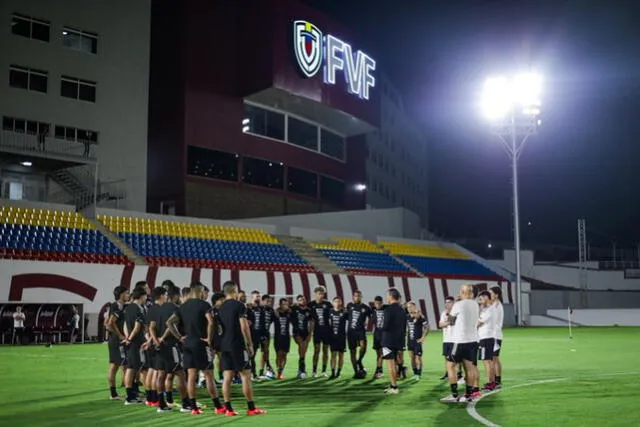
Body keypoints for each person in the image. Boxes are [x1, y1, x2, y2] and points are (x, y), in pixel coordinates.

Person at [167, 281, 225, 415]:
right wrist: (209, 339)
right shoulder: (204, 305)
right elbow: (210, 322)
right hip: (201, 344)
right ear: (199, 291)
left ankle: (193, 407)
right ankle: (218, 406)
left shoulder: (183, 306)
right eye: (204, 291)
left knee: (191, 376)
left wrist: (179, 337)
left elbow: (169, 322)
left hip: (187, 344)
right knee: (209, 374)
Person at [218, 281, 266, 416]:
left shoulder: (221, 307)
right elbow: (244, 326)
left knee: (227, 377)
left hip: (225, 345)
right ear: (234, 290)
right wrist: (249, 344)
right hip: (237, 345)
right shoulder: (239, 305)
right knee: (246, 375)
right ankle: (251, 408)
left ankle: (228, 409)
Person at [440, 284, 480, 403]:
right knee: (470, 368)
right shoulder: (475, 304)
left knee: (450, 365)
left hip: (460, 340)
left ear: (463, 292)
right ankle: (468, 395)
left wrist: (447, 320)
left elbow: (451, 322)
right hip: (473, 340)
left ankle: (454, 395)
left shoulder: (459, 304)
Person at [157, 286, 191, 412]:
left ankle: (162, 404)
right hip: (172, 345)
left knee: (161, 374)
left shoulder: (158, 309)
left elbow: (151, 326)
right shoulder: (177, 309)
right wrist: (179, 337)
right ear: (176, 296)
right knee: (180, 374)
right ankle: (185, 404)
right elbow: (170, 324)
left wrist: (157, 340)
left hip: (160, 346)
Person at [147, 287, 172, 411]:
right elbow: (170, 325)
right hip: (165, 344)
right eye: (166, 294)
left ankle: (153, 399)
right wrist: (160, 339)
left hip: (154, 344)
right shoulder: (165, 308)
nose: (167, 296)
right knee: (167, 373)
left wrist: (154, 341)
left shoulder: (151, 309)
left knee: (154, 372)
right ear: (162, 295)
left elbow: (150, 328)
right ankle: (172, 400)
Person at [123, 287, 148, 405]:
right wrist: (131, 338)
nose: (146, 298)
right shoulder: (139, 309)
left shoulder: (128, 308)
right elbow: (138, 326)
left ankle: (130, 396)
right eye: (145, 296)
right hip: (137, 342)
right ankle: (150, 396)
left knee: (130, 368)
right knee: (143, 369)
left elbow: (124, 324)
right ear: (142, 296)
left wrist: (127, 337)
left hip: (130, 342)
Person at [105, 286, 130, 400]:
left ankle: (114, 394)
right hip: (117, 341)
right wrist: (120, 336)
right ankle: (129, 393)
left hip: (113, 340)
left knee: (114, 365)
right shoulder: (117, 306)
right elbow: (110, 323)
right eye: (126, 293)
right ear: (121, 294)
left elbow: (108, 322)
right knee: (123, 365)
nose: (128, 295)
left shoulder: (117, 305)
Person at [382, 288, 406, 395]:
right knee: (395, 363)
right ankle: (393, 385)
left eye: (387, 296)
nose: (387, 298)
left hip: (388, 341)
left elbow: (385, 325)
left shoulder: (388, 310)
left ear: (391, 297)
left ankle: (394, 387)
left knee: (390, 364)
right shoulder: (402, 310)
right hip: (398, 340)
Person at [346, 290, 371, 379]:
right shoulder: (349, 306)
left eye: (359, 296)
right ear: (353, 297)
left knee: (363, 345)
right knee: (352, 352)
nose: (357, 297)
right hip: (351, 332)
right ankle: (356, 371)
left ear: (361, 297)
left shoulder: (366, 308)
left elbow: (372, 316)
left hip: (361, 331)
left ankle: (359, 361)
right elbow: (345, 316)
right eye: (356, 296)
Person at [309, 286, 332, 377]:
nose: (321, 295)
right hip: (317, 332)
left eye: (322, 293)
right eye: (319, 293)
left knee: (325, 351)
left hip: (326, 331)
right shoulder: (311, 304)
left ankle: (323, 371)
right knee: (316, 351)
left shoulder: (328, 304)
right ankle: (314, 371)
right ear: (315, 294)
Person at [438, 296, 463, 382]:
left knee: (456, 358)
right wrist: (448, 322)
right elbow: (440, 325)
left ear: (453, 303)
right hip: (446, 339)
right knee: (446, 357)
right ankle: (447, 373)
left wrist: (446, 323)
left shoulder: (456, 313)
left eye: (449, 302)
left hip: (455, 339)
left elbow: (452, 323)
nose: (446, 304)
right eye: (446, 302)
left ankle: (459, 373)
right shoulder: (443, 313)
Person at [477, 291, 496, 391]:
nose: (480, 301)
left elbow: (479, 323)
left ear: (486, 297)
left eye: (481, 299)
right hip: (486, 337)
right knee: (489, 361)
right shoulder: (486, 309)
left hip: (486, 338)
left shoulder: (489, 310)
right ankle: (492, 382)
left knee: (486, 361)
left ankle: (490, 383)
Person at [406, 301, 430, 380]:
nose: (409, 308)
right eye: (408, 307)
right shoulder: (408, 316)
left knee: (418, 357)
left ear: (414, 307)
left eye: (410, 307)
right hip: (410, 341)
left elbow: (427, 327)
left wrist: (423, 337)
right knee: (412, 358)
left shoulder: (420, 316)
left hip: (417, 341)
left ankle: (419, 374)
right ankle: (415, 373)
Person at [291, 294, 313, 378]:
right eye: (300, 300)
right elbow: (284, 309)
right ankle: (302, 368)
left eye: (303, 299)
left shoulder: (309, 310)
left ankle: (300, 369)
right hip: (297, 332)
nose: (302, 301)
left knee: (303, 351)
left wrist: (310, 334)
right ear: (297, 301)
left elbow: (312, 322)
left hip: (305, 332)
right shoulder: (294, 308)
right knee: (302, 345)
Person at [329, 296, 348, 379]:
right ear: (333, 303)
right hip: (332, 337)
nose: (337, 303)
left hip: (342, 337)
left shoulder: (344, 312)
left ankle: (339, 372)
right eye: (335, 301)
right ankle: (332, 372)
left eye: (339, 301)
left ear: (341, 303)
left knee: (341, 355)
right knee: (333, 354)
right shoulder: (329, 311)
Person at [273, 298, 292, 379]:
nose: (285, 306)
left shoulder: (289, 313)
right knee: (279, 354)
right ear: (280, 305)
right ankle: (278, 371)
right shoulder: (275, 313)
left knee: (284, 355)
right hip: (278, 337)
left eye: (286, 304)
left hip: (286, 337)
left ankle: (281, 371)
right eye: (283, 304)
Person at [490, 286, 504, 388]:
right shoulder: (494, 305)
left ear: (496, 295)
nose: (489, 295)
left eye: (491, 293)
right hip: (494, 334)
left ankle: (497, 380)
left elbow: (492, 321)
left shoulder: (497, 305)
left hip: (495, 335)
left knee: (494, 358)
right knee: (494, 358)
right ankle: (496, 379)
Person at [246, 291, 263, 379]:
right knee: (249, 355)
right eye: (256, 296)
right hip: (249, 335)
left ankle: (253, 373)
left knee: (253, 355)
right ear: (252, 297)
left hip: (257, 335)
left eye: (259, 296)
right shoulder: (247, 307)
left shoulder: (261, 308)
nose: (258, 298)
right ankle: (251, 373)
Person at [258, 294, 275, 379]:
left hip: (266, 333)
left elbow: (272, 320)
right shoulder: (258, 309)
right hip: (257, 334)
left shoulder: (271, 310)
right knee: (252, 353)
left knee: (265, 351)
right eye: (267, 301)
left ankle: (261, 372)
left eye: (270, 302)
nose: (269, 303)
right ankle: (252, 372)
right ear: (263, 301)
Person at [371, 296, 386, 379]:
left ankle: (379, 371)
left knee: (383, 354)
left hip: (384, 334)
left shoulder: (386, 308)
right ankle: (380, 370)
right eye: (376, 303)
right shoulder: (372, 309)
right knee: (378, 354)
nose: (378, 305)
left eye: (379, 303)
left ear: (382, 303)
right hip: (376, 334)